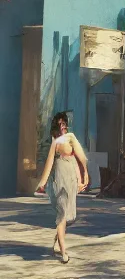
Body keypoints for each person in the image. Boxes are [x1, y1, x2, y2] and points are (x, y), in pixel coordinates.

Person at [35, 112, 88, 264]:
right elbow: (50, 163)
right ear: (56, 127)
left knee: (69, 216)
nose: (63, 126)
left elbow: (79, 159)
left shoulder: (71, 138)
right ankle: (64, 251)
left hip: (70, 180)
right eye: (60, 124)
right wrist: (43, 183)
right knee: (62, 213)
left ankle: (58, 239)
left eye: (64, 123)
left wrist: (83, 177)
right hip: (58, 181)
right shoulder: (55, 142)